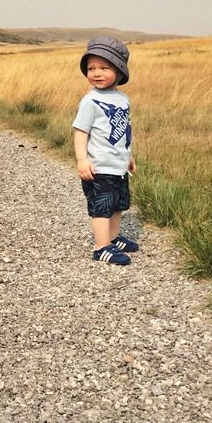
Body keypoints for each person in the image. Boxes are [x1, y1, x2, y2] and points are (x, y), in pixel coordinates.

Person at [71, 36, 139, 265]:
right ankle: (101, 247)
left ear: (119, 71)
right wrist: (82, 159)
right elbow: (80, 131)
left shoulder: (122, 99)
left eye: (104, 67)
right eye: (91, 68)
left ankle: (113, 237)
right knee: (102, 207)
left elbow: (124, 131)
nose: (96, 73)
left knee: (118, 204)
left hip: (118, 166)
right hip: (99, 166)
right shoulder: (90, 101)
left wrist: (128, 155)